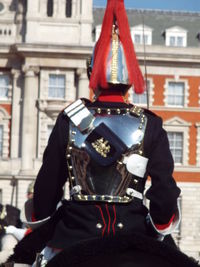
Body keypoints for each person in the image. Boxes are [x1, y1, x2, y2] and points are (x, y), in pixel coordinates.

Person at [7, 0, 199, 266]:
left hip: (73, 235)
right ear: (130, 78)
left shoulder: (68, 120)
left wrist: (42, 214)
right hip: (135, 233)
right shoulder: (150, 123)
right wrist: (159, 223)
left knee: (20, 260)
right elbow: (165, 194)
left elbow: (47, 190)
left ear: (91, 73)